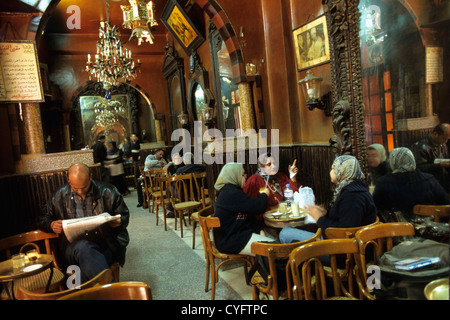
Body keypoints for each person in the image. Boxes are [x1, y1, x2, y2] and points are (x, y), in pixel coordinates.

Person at [36, 164, 130, 283]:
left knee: (84, 265)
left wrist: (119, 221)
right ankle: (110, 290)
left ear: (91, 177)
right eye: (75, 188)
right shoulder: (59, 195)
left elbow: (123, 214)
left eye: (84, 187)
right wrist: (51, 224)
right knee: (83, 247)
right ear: (69, 181)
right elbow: (41, 218)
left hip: (105, 244)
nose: (81, 192)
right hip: (71, 247)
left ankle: (80, 291)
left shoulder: (108, 191)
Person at [279, 155, 377, 243]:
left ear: (342, 171)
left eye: (333, 168)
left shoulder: (352, 196)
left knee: (285, 233)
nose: (331, 172)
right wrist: (325, 214)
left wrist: (320, 219)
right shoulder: (357, 189)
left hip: (343, 251)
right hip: (348, 244)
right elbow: (344, 218)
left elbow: (343, 231)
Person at [373, 147, 449, 222]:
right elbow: (445, 205)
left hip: (397, 231)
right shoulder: (429, 180)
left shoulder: (383, 183)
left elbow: (377, 211)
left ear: (392, 162)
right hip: (430, 229)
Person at [213, 163, 274, 256]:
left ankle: (263, 268)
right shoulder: (230, 193)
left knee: (274, 241)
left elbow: (249, 212)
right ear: (234, 176)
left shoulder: (230, 190)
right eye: (243, 175)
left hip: (235, 235)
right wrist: (264, 194)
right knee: (274, 250)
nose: (245, 177)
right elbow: (259, 207)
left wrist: (259, 229)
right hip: (231, 241)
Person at [411, 123, 450, 192]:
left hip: (442, 183)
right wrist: (439, 165)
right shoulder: (421, 147)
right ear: (435, 134)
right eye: (444, 138)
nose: (446, 141)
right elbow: (419, 168)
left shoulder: (442, 144)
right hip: (429, 185)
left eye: (447, 139)